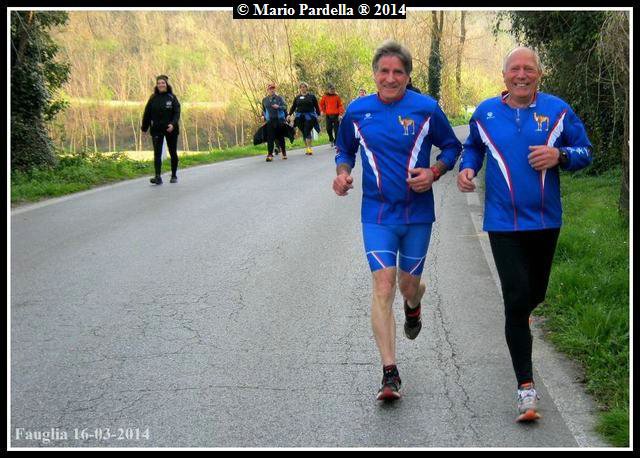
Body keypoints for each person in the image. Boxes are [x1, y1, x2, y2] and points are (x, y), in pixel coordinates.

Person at [457, 47, 593, 422]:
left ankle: (522, 319)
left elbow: (586, 151)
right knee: (516, 298)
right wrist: (467, 168)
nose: (521, 75)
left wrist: (560, 156)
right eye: (514, 69)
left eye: (528, 69)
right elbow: (473, 147)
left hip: (546, 221)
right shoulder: (486, 113)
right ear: (504, 76)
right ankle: (526, 389)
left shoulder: (557, 110)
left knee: (536, 294)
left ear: (538, 74)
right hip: (503, 222)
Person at [333, 40, 462, 401]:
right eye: (384, 71)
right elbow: (344, 150)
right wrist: (342, 173)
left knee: (407, 287)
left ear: (408, 75)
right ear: (374, 73)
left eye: (398, 72)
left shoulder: (426, 108)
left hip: (417, 213)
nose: (390, 78)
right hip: (377, 214)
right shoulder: (357, 111)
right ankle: (390, 373)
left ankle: (414, 304)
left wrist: (434, 172)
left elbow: (452, 146)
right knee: (383, 285)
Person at [141, 75, 181, 184]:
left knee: (172, 152)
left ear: (166, 84)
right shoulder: (153, 98)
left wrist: (172, 124)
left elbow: (177, 113)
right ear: (156, 85)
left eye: (163, 83)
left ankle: (174, 175)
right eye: (159, 83)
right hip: (157, 129)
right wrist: (144, 128)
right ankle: (158, 177)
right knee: (157, 153)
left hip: (170, 129)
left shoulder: (172, 97)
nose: (161, 85)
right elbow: (147, 114)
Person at [288, 82, 320, 156]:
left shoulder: (312, 96)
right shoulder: (297, 98)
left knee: (307, 130)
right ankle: (307, 148)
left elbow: (316, 106)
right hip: (299, 117)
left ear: (306, 88)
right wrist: (289, 114)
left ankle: (309, 148)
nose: (303, 88)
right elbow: (293, 107)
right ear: (300, 88)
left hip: (310, 116)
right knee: (304, 131)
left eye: (304, 87)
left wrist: (318, 115)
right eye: (301, 87)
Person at [261, 83, 288, 161]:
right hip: (270, 121)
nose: (272, 90)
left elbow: (285, 107)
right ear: (267, 90)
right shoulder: (265, 100)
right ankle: (270, 155)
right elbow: (263, 110)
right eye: (270, 89)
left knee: (280, 137)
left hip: (279, 121)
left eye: (273, 88)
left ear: (275, 89)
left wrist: (278, 107)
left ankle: (284, 153)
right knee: (270, 138)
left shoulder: (279, 98)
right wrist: (262, 116)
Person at [319, 83, 345, 148]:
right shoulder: (325, 96)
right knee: (328, 129)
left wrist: (340, 114)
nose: (332, 90)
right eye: (331, 89)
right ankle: (331, 139)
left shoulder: (337, 97)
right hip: (328, 115)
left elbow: (340, 106)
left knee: (336, 130)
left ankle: (336, 142)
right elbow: (321, 104)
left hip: (336, 115)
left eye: (333, 89)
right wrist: (322, 111)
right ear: (328, 90)